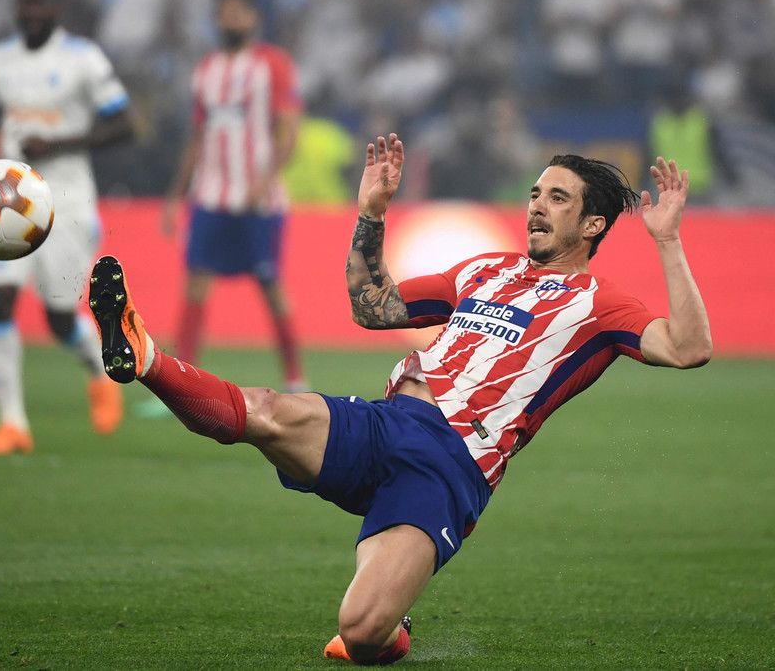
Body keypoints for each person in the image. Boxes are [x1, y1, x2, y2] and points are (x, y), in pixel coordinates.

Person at [89, 133, 711, 664]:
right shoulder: (486, 269)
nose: (536, 207)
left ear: (593, 224)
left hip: (448, 465)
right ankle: (146, 356)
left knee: (360, 633)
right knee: (267, 411)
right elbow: (372, 306)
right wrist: (372, 212)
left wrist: (667, 241)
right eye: (534, 194)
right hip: (387, 420)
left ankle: (391, 634)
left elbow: (688, 347)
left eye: (557, 198)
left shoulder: (600, 303)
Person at [0, 0, 135, 455]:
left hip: (66, 200)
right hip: (6, 197)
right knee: (0, 299)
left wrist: (56, 144)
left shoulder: (83, 58)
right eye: (26, 3)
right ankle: (12, 424)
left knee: (59, 318)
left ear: (57, 8)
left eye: (41, 3)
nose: (32, 11)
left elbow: (124, 124)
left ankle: (99, 373)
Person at [160, 0, 307, 397]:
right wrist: (176, 197)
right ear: (216, 19)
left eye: (239, 13)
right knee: (195, 284)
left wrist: (264, 180)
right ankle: (183, 385)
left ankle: (295, 379)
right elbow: (197, 137)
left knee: (270, 285)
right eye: (225, 13)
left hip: (260, 201)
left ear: (253, 18)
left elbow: (289, 131)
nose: (232, 20)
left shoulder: (272, 64)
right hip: (211, 197)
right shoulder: (206, 69)